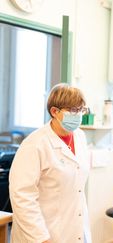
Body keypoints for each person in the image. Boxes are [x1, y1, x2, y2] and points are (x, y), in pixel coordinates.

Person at [9, 83, 92, 243]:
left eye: (81, 110)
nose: (79, 115)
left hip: (73, 229)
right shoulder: (35, 144)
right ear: (55, 111)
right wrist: (41, 238)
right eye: (73, 110)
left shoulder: (80, 137)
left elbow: (77, 189)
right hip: (42, 234)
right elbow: (22, 196)